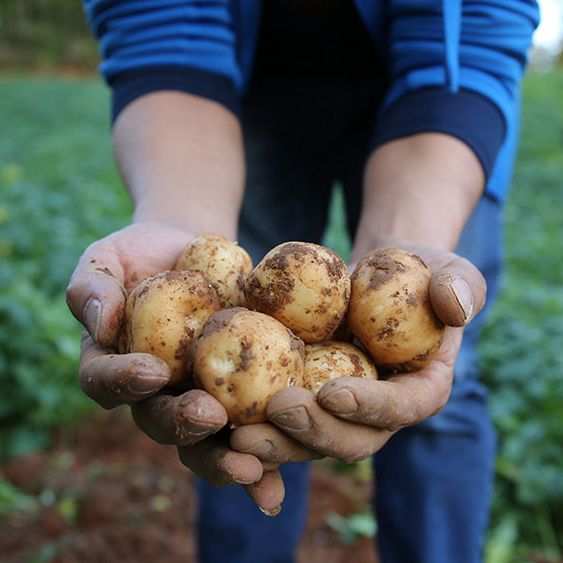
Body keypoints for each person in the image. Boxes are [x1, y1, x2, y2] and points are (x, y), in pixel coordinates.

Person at [67, 1, 539, 562]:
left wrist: (403, 245)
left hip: (437, 90)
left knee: (442, 380)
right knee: (227, 432)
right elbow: (165, 28)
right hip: (248, 86)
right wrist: (178, 216)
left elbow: (476, 31)